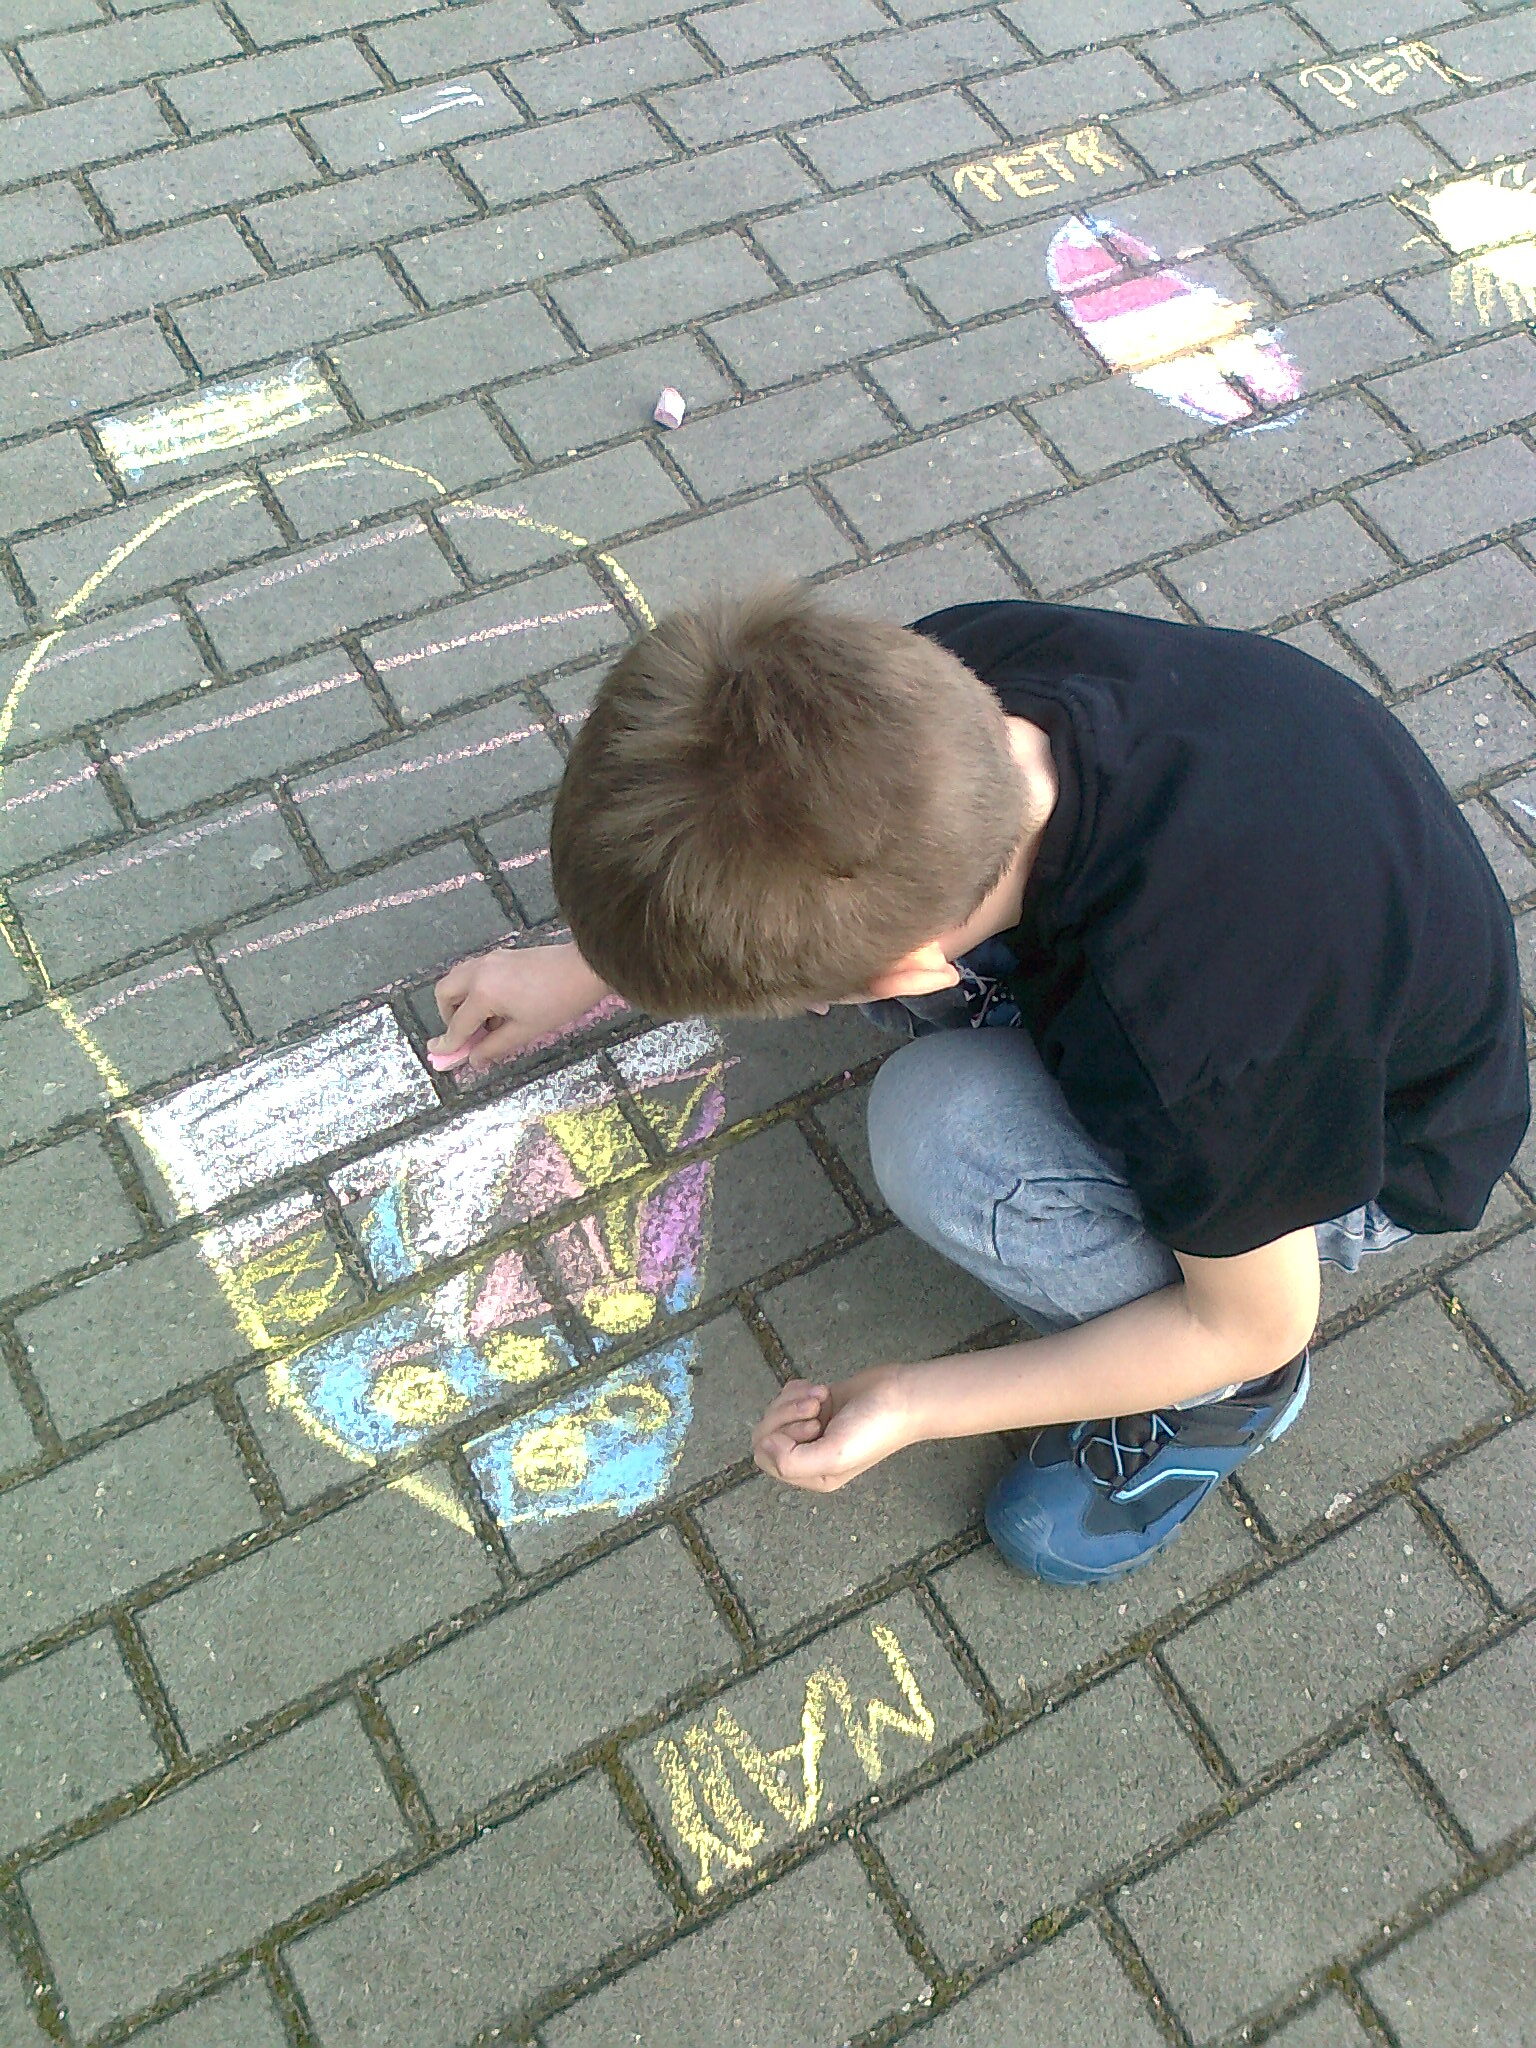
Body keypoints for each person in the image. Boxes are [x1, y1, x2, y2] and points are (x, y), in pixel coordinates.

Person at [430, 585, 1529, 1585]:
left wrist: (920, 1400)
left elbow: (1253, 1322)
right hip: (1300, 898)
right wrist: (591, 962)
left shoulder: (1191, 1048)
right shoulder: (944, 682)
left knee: (941, 1132)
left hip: (1370, 1154)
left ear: (917, 969)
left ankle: (1221, 1413)